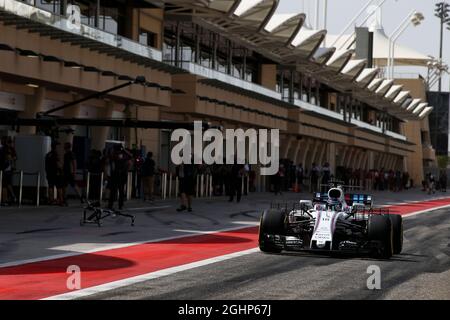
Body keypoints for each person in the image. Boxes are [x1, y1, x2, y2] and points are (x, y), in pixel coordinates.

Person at [107, 144, 131, 210]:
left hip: (116, 175)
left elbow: (109, 155)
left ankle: (111, 205)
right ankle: (120, 205)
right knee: (120, 191)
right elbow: (130, 156)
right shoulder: (123, 155)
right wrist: (124, 150)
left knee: (114, 191)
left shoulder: (114, 155)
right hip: (120, 175)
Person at [0, 137, 17, 205]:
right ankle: (7, 198)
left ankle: (6, 199)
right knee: (7, 184)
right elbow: (15, 157)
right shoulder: (7, 149)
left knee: (5, 185)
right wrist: (11, 159)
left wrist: (10, 159)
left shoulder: (4, 149)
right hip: (6, 169)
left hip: (5, 169)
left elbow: (14, 157)